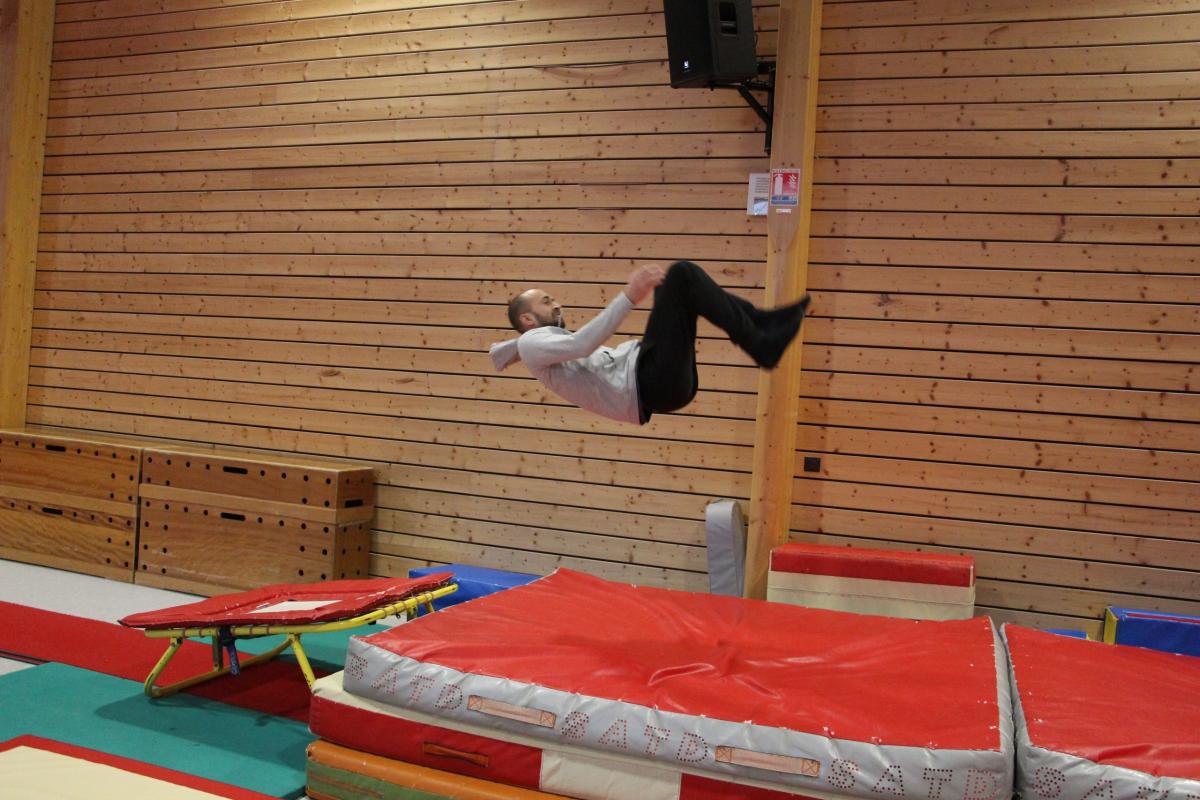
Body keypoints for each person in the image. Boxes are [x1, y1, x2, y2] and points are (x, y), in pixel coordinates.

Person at [488, 260, 810, 424]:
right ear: (527, 320)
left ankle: (762, 326)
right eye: (546, 302)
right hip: (649, 382)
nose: (557, 304)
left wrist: (505, 351)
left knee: (681, 283)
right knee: (681, 275)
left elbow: (542, 347)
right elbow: (582, 345)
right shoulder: (532, 343)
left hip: (658, 382)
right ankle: (760, 340)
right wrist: (629, 295)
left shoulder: (535, 346)